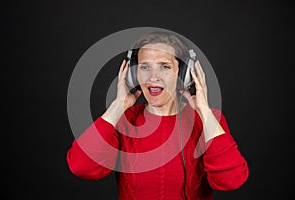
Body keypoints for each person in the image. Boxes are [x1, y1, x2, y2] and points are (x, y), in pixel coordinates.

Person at [66, 31, 249, 200]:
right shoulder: (124, 120)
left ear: (184, 75)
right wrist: (118, 106)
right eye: (145, 67)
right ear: (133, 75)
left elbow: (230, 181)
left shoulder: (208, 121)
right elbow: (82, 167)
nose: (153, 77)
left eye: (164, 67)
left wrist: (204, 111)